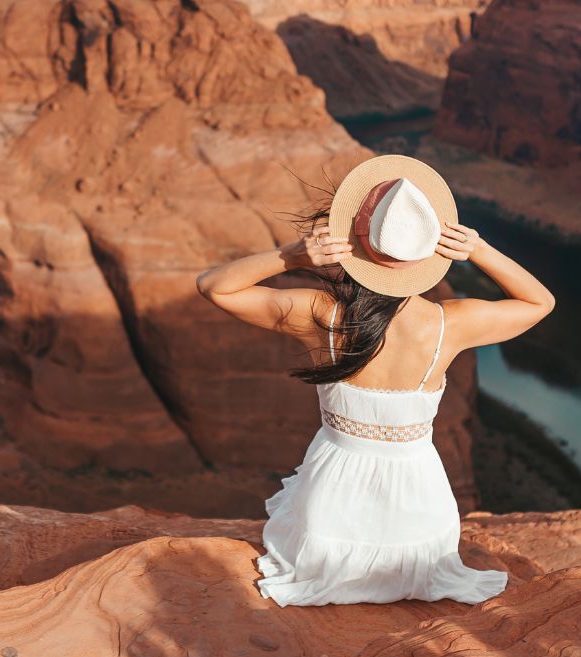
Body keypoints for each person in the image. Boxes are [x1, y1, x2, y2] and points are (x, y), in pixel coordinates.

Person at [195, 155, 555, 607]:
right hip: (421, 531)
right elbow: (540, 302)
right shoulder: (450, 324)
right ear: (427, 250)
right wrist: (478, 250)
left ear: (357, 244)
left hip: (329, 525)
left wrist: (292, 256)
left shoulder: (322, 316)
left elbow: (214, 286)